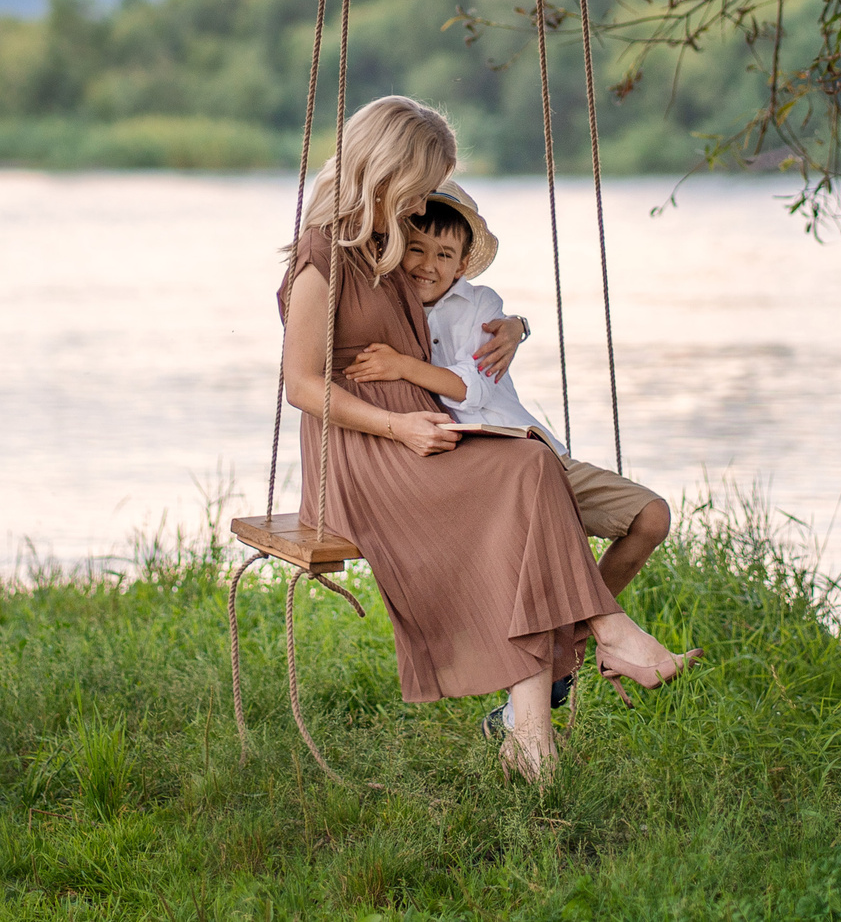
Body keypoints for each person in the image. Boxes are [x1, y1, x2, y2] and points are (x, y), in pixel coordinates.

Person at [278, 94, 699, 782]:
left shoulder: (388, 249)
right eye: (420, 188)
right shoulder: (323, 258)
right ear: (387, 171)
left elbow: (459, 300)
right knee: (526, 470)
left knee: (530, 468)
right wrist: (397, 424)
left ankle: (530, 734)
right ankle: (608, 631)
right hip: (359, 453)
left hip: (424, 431)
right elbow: (300, 383)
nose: (422, 208)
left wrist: (517, 324)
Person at [341, 181, 674, 737]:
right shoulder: (388, 302)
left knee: (651, 516)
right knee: (535, 553)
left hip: (531, 447)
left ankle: (573, 643)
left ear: (463, 262)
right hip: (481, 470)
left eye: (444, 255)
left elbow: (471, 387)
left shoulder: (482, 305)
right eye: (417, 248)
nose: (427, 264)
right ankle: (566, 669)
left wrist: (414, 363)